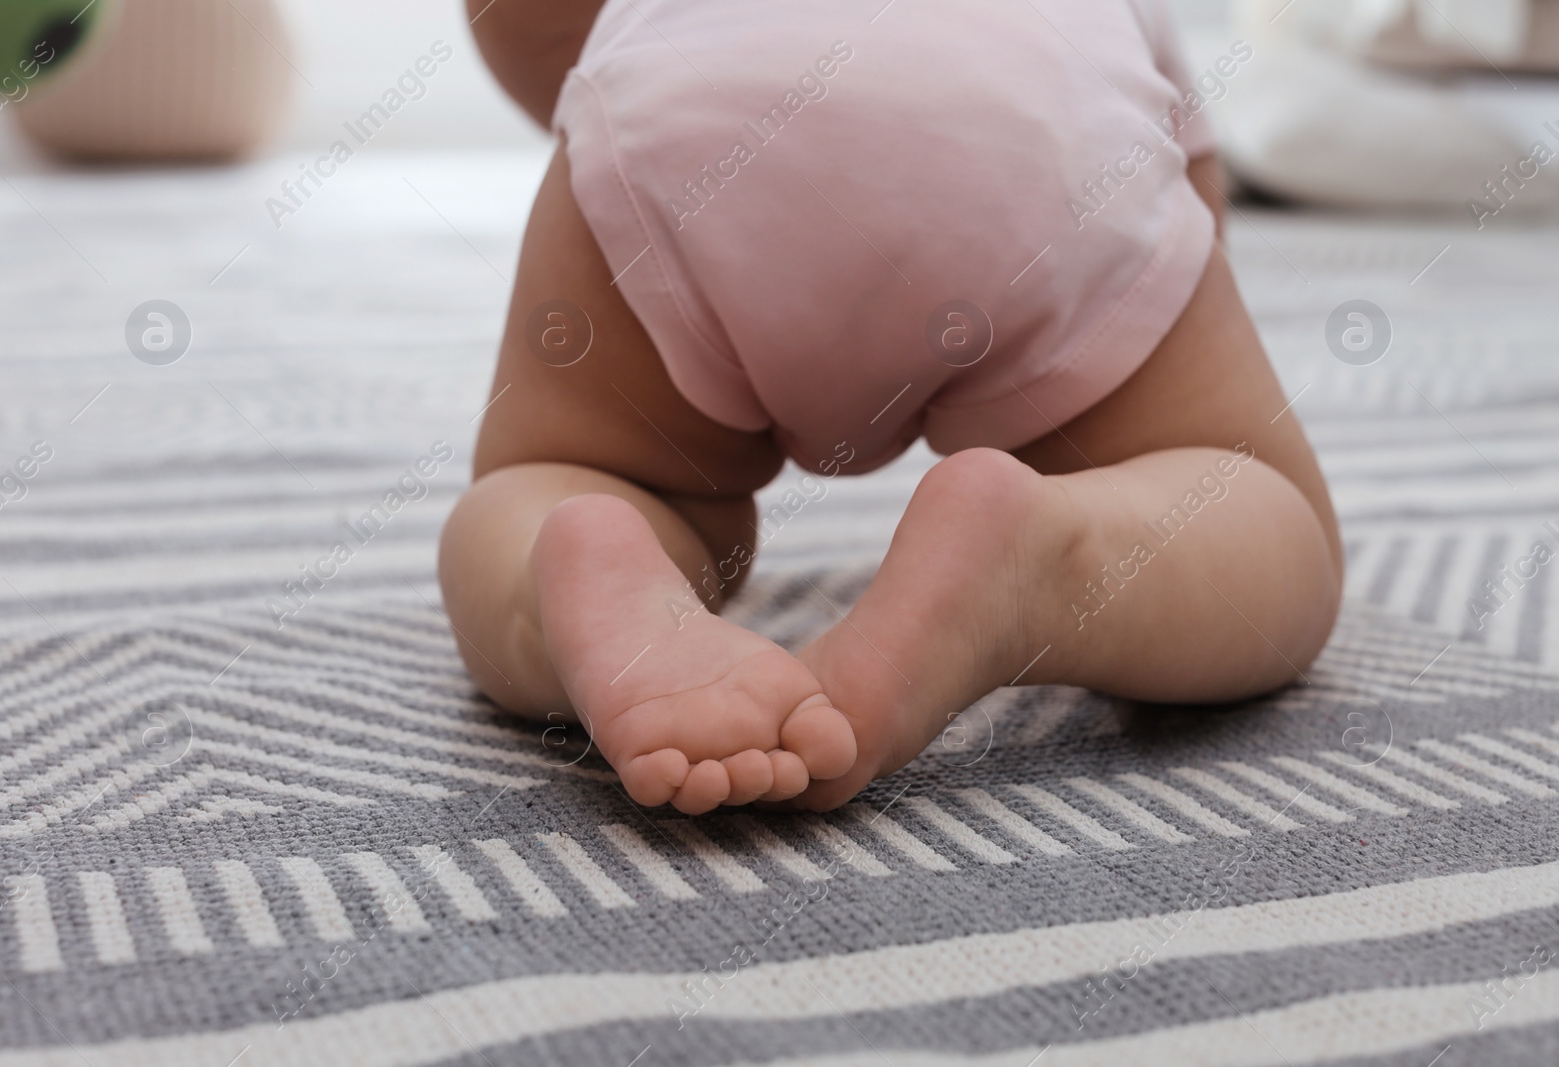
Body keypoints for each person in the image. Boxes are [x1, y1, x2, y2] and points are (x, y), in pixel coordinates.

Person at [437, 0, 1343, 814]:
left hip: (686, 102)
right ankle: (1056, 552)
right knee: (1244, 487)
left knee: (556, 474)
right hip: (1026, 103)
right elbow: (1195, 185)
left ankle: (586, 546)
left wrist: (610, 104)